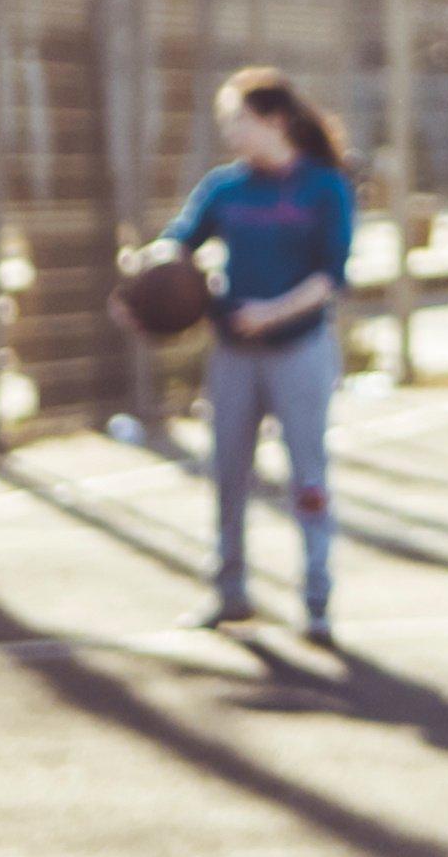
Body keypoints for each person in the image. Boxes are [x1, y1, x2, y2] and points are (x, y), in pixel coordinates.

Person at [142, 69, 355, 645]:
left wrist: (272, 312)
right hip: (235, 352)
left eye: (238, 118)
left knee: (307, 475)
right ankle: (229, 592)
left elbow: (329, 278)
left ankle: (316, 601)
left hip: (301, 350)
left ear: (274, 120)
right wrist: (145, 276)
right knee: (228, 474)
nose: (230, 132)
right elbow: (177, 242)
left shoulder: (324, 187)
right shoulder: (224, 188)